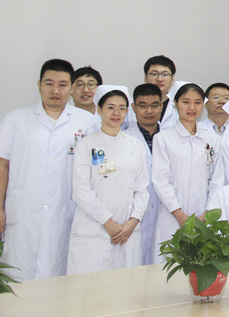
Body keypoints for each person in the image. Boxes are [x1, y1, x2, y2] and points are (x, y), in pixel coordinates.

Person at [0, 59, 98, 280]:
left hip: (66, 211)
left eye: (62, 85)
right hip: (24, 211)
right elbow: (2, 165)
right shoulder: (16, 120)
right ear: (39, 85)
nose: (55, 90)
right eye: (49, 84)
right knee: (18, 276)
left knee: (60, 277)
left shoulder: (88, 122)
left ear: (71, 87)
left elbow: (95, 171)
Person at [68, 86, 149, 274]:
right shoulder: (86, 145)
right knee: (89, 286)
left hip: (127, 230)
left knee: (125, 283)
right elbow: (81, 191)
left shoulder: (135, 146)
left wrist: (132, 222)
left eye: (122, 108)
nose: (116, 113)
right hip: (94, 228)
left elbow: (142, 189)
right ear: (99, 109)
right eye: (111, 107)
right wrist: (107, 221)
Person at [151, 83, 219, 261]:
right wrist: (178, 213)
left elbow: (217, 180)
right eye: (186, 102)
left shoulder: (212, 139)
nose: (192, 107)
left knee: (200, 265)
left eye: (197, 102)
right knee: (169, 265)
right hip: (172, 217)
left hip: (203, 216)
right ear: (175, 103)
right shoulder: (163, 139)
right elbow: (160, 180)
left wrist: (207, 213)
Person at [124, 83, 162, 265]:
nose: (149, 111)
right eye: (142, 105)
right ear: (133, 107)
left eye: (154, 105)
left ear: (161, 106)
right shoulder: (124, 138)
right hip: (132, 213)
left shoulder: (171, 137)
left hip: (164, 212)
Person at [143, 55, 177, 129]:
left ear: (172, 79)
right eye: (154, 74)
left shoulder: (178, 107)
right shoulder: (131, 107)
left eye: (165, 74)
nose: (159, 79)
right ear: (145, 77)